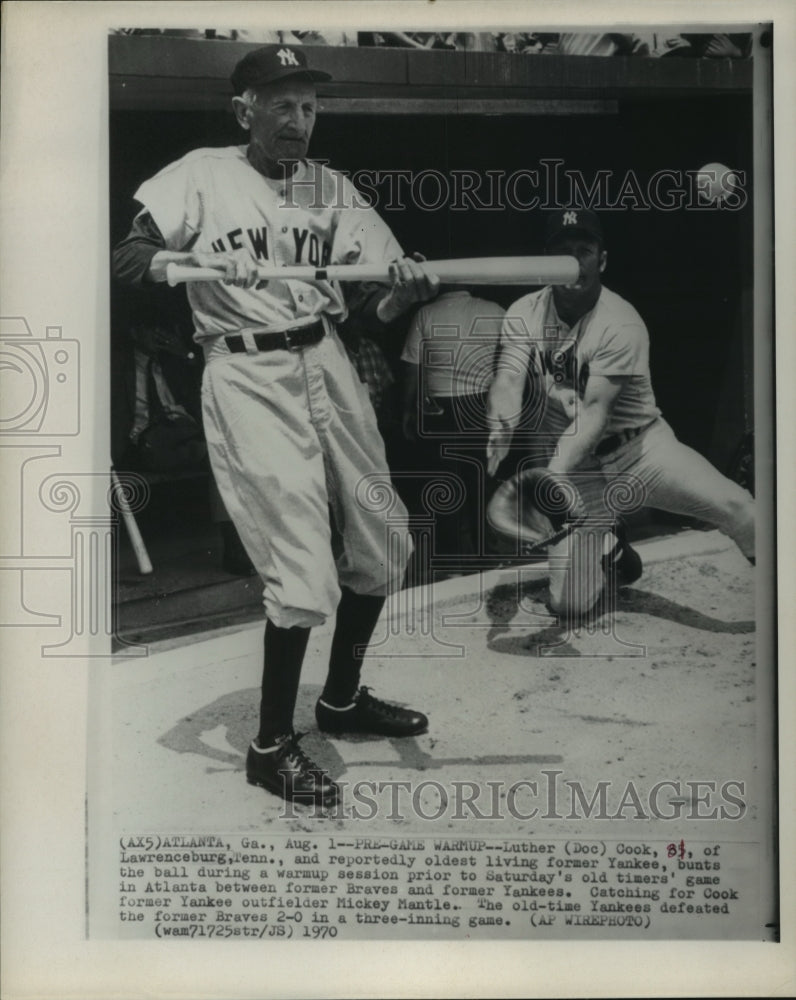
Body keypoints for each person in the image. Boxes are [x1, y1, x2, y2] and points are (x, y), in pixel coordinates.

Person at [113, 44, 439, 808]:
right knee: (301, 564)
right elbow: (128, 259)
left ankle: (341, 700)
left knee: (385, 539)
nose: (298, 120)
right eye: (282, 105)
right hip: (246, 369)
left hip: (325, 357)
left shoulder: (329, 187)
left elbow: (368, 307)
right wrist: (193, 266)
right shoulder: (203, 173)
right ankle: (269, 748)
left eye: (309, 107)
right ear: (245, 111)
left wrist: (404, 294)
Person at [485, 207, 755, 620]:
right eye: (562, 251)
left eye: (584, 250)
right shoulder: (524, 312)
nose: (573, 261)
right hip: (581, 474)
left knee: (740, 509)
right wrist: (500, 427)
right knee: (569, 606)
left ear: (602, 260)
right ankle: (609, 546)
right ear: (545, 261)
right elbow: (507, 380)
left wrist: (550, 478)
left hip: (642, 453)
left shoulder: (620, 321)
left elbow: (595, 414)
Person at [401, 286, 504, 557]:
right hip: (481, 405)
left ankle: (452, 558)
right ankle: (487, 553)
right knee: (482, 479)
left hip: (439, 409)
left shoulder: (425, 314)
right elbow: (510, 364)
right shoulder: (495, 311)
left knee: (446, 482)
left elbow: (412, 368)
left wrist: (407, 411)